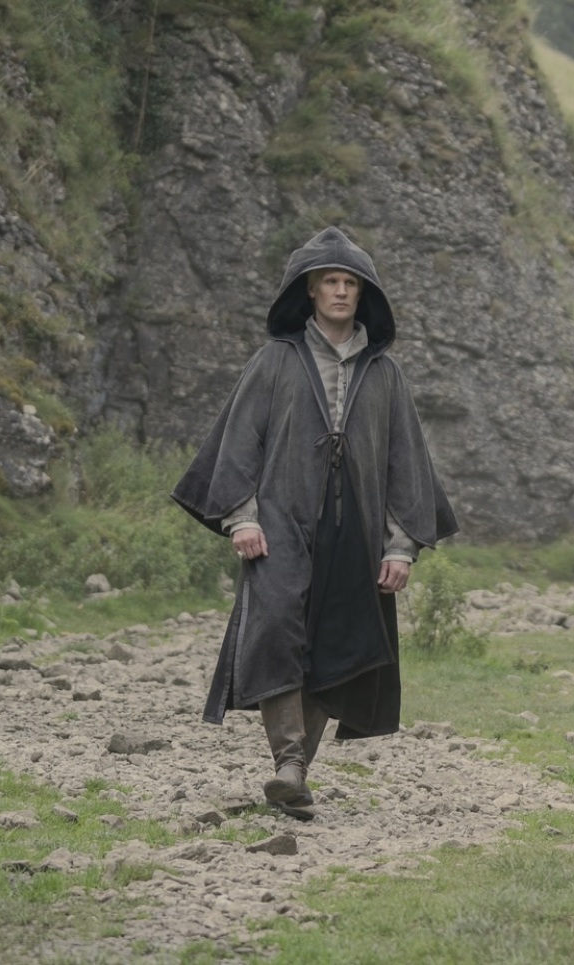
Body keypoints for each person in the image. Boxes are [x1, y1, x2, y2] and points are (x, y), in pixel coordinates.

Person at [173, 226, 457, 811]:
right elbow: (238, 445)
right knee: (276, 629)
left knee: (339, 642)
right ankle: (291, 760)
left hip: (355, 534)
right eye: (330, 280)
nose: (340, 291)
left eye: (350, 282)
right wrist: (241, 517)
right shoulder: (274, 362)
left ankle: (294, 773)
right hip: (279, 524)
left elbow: (408, 460)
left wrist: (400, 545)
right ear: (309, 289)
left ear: (363, 292)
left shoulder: (386, 374)